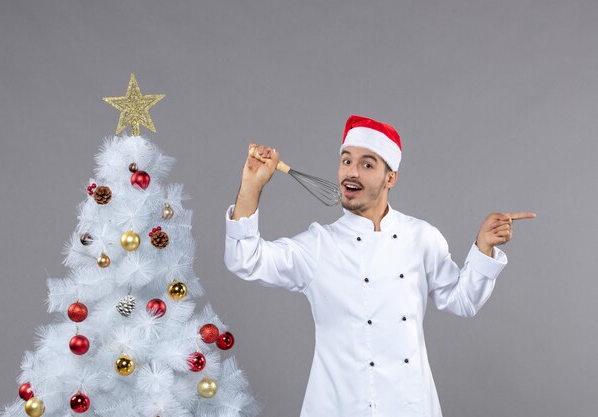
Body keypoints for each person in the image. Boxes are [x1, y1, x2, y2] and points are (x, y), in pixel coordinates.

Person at [224, 115, 536, 417]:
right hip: (338, 406)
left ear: (391, 177)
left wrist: (484, 247)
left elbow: (463, 300)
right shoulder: (320, 244)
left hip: (411, 407)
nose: (351, 172)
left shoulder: (421, 237)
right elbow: (245, 259)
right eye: (346, 160)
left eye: (366, 164)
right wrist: (251, 186)